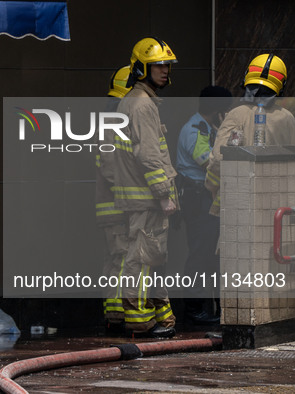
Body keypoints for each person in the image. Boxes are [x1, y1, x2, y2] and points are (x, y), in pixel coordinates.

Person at [113, 37, 178, 338]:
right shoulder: (141, 105)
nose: (164, 70)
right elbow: (149, 156)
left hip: (142, 200)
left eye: (166, 65)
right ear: (142, 68)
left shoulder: (139, 101)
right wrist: (164, 194)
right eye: (158, 66)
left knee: (148, 259)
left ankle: (159, 319)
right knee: (141, 260)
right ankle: (141, 321)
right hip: (147, 201)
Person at [206, 54, 295, 214]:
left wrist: (211, 186)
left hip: (241, 202)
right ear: (281, 84)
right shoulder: (287, 118)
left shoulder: (237, 114)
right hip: (278, 204)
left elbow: (218, 158)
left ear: (248, 77)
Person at [176, 86, 233, 325]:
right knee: (200, 253)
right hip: (197, 198)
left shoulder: (208, 128)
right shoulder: (195, 130)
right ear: (218, 110)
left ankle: (207, 307)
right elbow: (208, 162)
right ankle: (195, 309)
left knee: (211, 253)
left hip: (205, 198)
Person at [96, 65, 131, 332]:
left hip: (116, 208)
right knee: (120, 261)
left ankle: (115, 314)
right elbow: (111, 169)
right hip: (119, 208)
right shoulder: (113, 126)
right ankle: (118, 317)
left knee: (115, 261)